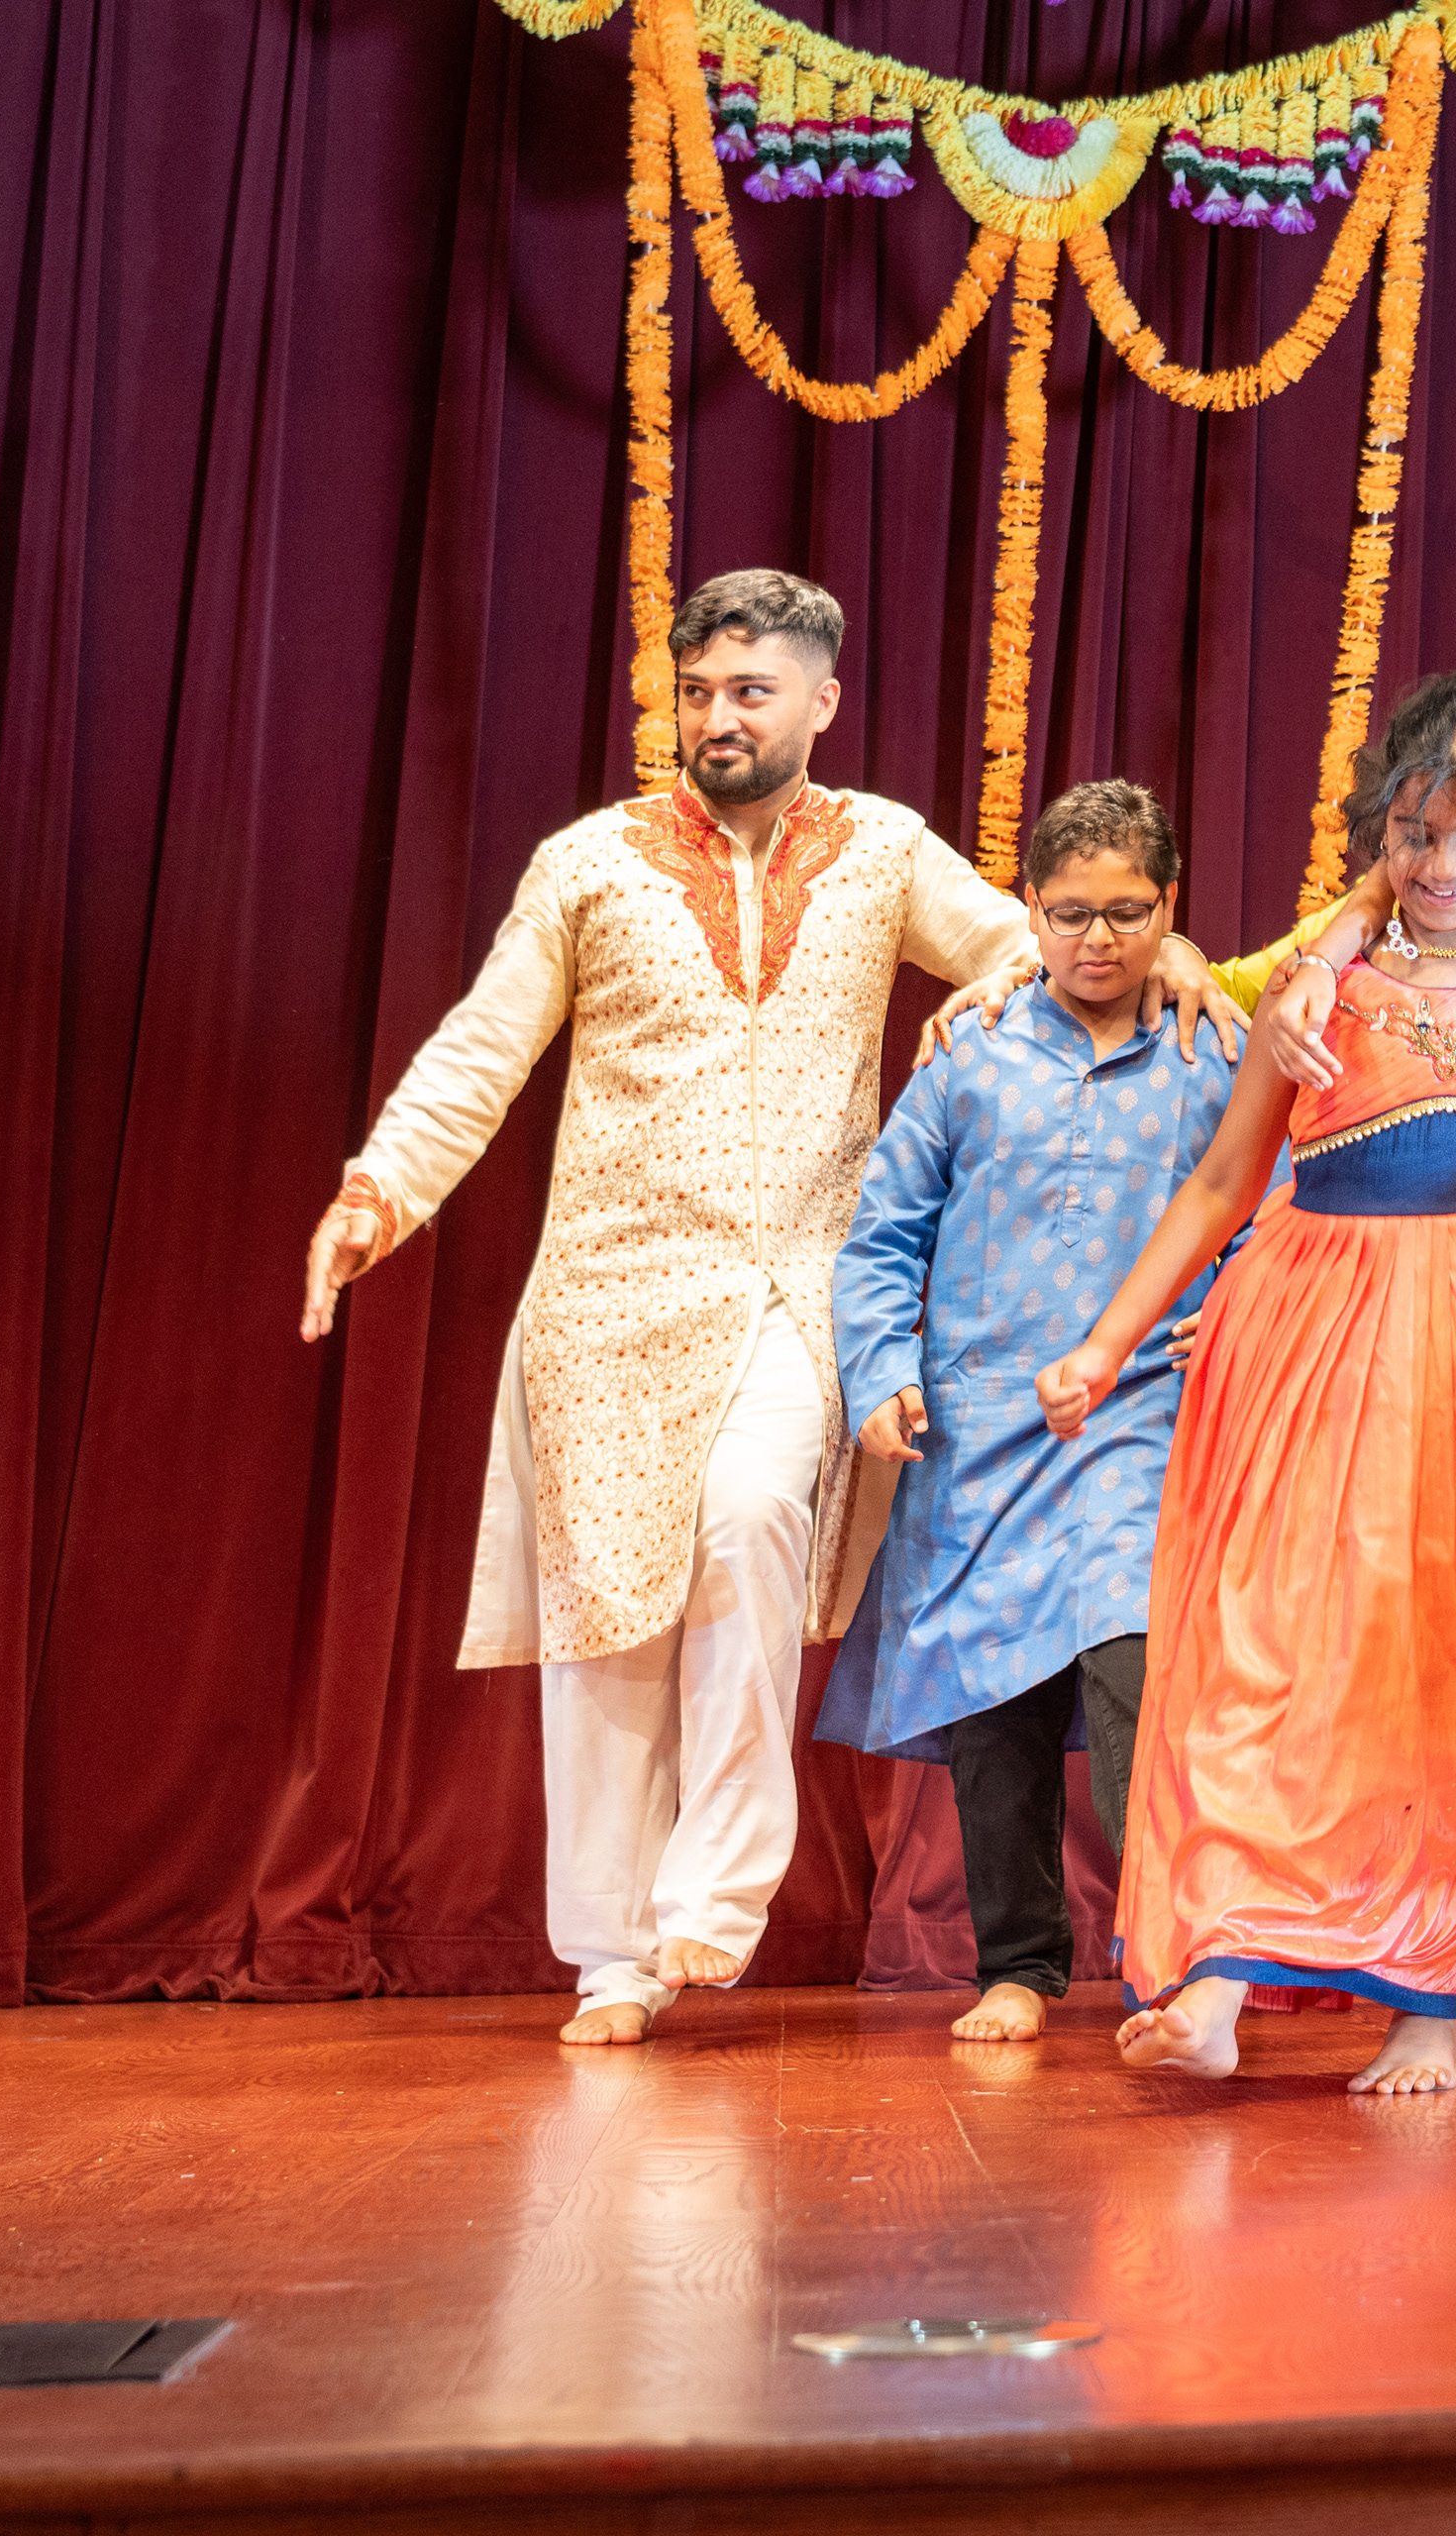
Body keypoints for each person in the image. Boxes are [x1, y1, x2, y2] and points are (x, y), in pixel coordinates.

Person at [297, 569, 1231, 2046]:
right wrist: (380, 1189)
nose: (719, 716)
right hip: (607, 1296)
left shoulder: (881, 852)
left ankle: (716, 1888)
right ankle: (613, 1955)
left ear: (820, 701)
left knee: (749, 1522)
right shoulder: (589, 865)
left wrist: (1172, 947)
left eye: (751, 690)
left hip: (797, 1286)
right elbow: (483, 1047)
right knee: (609, 1623)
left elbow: (1042, 941)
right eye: (699, 691)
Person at [1037, 676, 1456, 2094]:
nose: (1446, 865)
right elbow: (1223, 1182)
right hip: (1303, 1326)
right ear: (1378, 836)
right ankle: (1220, 1972)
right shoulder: (1319, 984)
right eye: (1416, 834)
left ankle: (1428, 1992)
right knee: (1260, 1644)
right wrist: (1107, 1341)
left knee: (1446, 1659)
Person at [819, 780, 1246, 2044]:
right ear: (1029, 910)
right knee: (992, 1707)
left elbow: (1267, 1213)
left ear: (1170, 907)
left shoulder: (1213, 1056)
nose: (1098, 939)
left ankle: (1173, 1958)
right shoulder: (971, 1056)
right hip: (981, 1430)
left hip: (1142, 1418)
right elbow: (882, 1235)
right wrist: (879, 1372)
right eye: (1070, 914)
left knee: (1136, 1671)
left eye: (1128, 912)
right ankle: (1018, 1965)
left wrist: (1232, 1312)